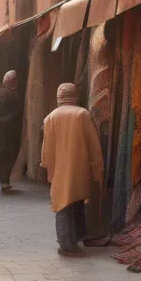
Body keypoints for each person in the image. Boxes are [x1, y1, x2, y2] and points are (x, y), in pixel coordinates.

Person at [40, 82, 103, 257]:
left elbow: (46, 151)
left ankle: (66, 244)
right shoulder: (82, 114)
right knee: (77, 202)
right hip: (80, 168)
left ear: (59, 97)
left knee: (63, 205)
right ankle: (75, 240)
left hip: (60, 170)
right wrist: (97, 168)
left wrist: (49, 170)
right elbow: (94, 146)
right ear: (75, 96)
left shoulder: (51, 117)